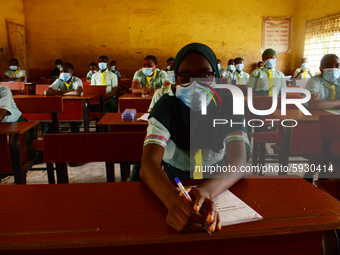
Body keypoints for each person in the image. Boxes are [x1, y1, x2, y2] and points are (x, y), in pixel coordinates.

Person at [139, 43, 249, 233]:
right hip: (172, 179)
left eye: (205, 76)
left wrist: (206, 191)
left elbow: (238, 160)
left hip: (218, 179)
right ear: (176, 78)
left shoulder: (228, 102)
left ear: (215, 76)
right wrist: (172, 200)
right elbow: (149, 163)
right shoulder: (167, 104)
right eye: (185, 76)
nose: (195, 84)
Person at [45, 63, 83, 133]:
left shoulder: (77, 80)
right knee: (50, 120)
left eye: (65, 71)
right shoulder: (59, 80)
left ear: (72, 72)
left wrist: (59, 93)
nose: (63, 73)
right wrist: (66, 91)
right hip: (62, 106)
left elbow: (77, 92)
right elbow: (47, 92)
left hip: (75, 107)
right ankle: (49, 138)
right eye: (61, 72)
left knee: (74, 123)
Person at [0, 85, 35, 159]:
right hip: (2, 126)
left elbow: (1, 115)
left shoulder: (3, 90)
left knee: (20, 151)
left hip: (16, 123)